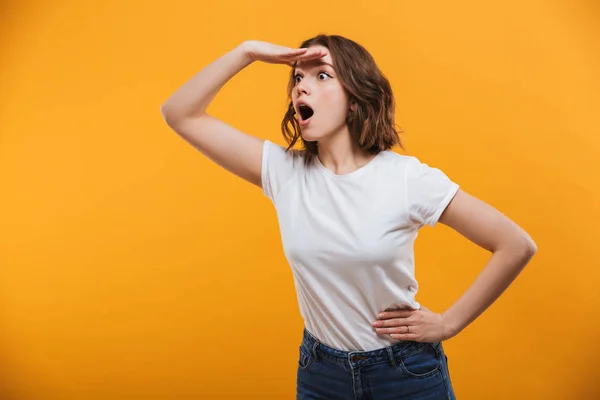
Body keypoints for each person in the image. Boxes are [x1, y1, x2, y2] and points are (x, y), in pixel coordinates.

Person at [160, 34, 537, 400]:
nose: (300, 89)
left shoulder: (406, 178)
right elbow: (179, 113)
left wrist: (449, 323)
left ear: (355, 99)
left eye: (321, 75)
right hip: (321, 373)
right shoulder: (284, 171)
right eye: (297, 77)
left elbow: (515, 244)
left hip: (404, 374)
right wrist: (247, 51)